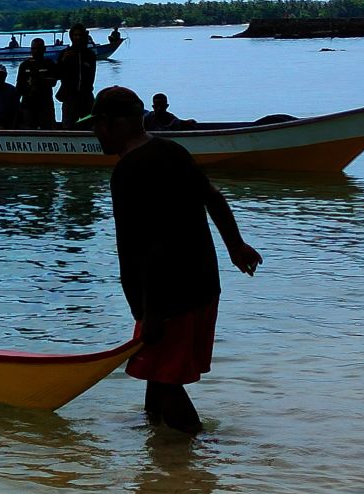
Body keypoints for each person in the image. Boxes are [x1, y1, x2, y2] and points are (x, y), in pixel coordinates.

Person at [87, 86, 262, 434]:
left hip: (168, 296)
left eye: (96, 125)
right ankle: (158, 442)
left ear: (109, 123)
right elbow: (213, 198)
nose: (94, 133)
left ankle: (193, 455)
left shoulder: (128, 172)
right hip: (202, 283)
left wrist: (151, 311)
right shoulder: (171, 150)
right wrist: (235, 246)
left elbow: (147, 246)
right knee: (157, 371)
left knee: (165, 380)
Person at [56, 23, 97, 128]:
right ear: (71, 37)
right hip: (69, 97)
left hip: (86, 97)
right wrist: (63, 61)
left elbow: (91, 76)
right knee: (68, 126)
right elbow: (57, 74)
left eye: (80, 35)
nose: (77, 37)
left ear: (84, 36)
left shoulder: (90, 55)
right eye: (75, 35)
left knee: (89, 126)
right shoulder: (64, 54)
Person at [15, 37, 60, 129]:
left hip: (45, 104)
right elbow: (19, 86)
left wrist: (40, 80)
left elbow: (53, 82)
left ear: (44, 49)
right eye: (33, 48)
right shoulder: (24, 65)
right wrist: (16, 105)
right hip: (28, 104)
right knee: (28, 130)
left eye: (38, 48)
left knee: (48, 130)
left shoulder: (49, 63)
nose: (36, 51)